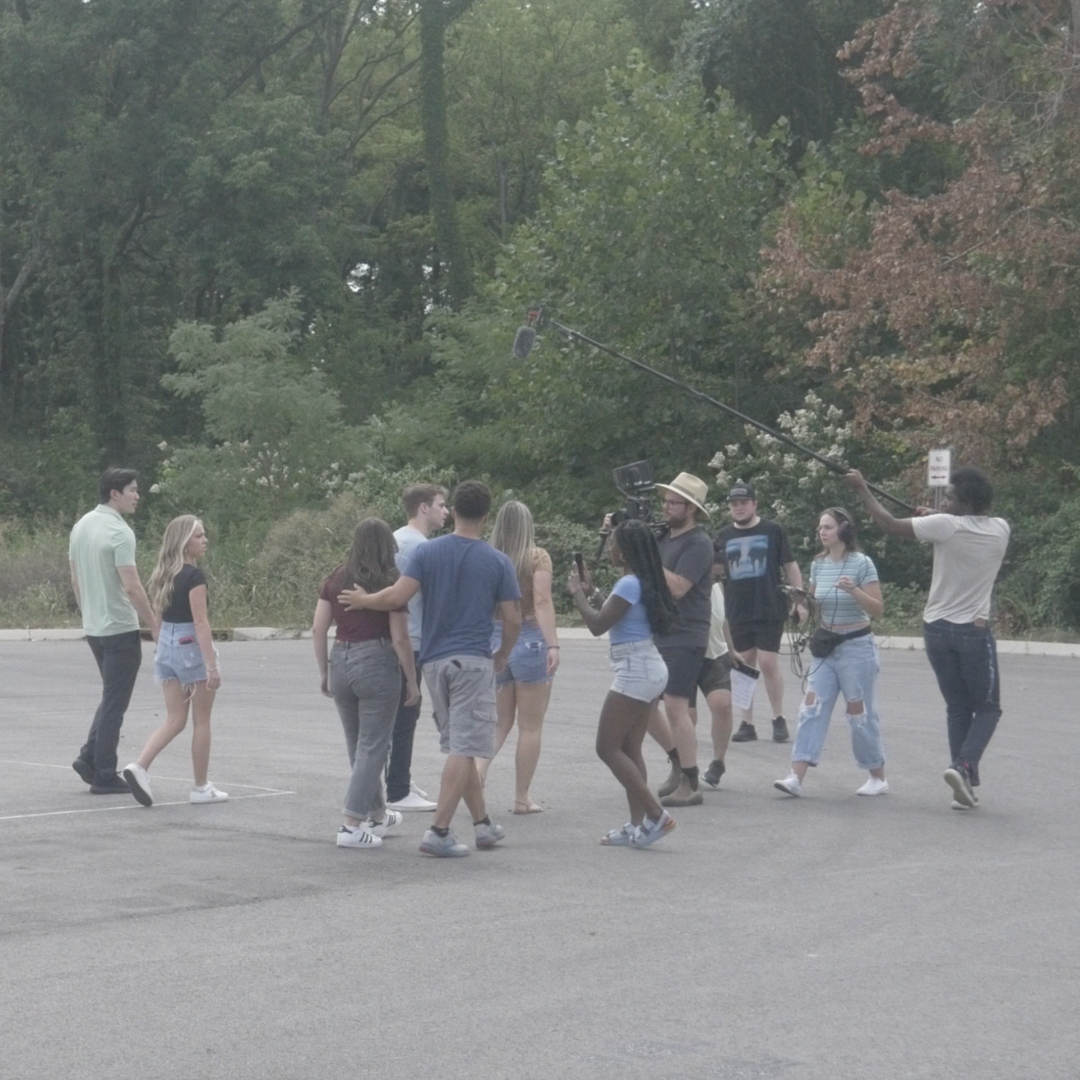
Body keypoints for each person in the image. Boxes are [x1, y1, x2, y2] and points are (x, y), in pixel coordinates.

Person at [338, 481, 522, 857]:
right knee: (466, 746)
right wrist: (503, 652)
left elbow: (397, 596)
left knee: (460, 745)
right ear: (486, 517)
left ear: (453, 512)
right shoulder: (497, 561)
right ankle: (439, 831)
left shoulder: (428, 552)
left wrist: (364, 600)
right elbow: (513, 618)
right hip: (471, 661)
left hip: (435, 662)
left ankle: (483, 824)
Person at [846, 466, 1009, 809]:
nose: (943, 502)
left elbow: (889, 524)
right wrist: (937, 515)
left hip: (935, 630)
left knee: (958, 707)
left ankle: (963, 783)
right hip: (972, 632)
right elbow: (961, 522)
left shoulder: (945, 525)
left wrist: (862, 487)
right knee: (987, 707)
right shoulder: (1000, 528)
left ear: (966, 504)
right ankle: (964, 767)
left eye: (949, 498)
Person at [568, 519, 679, 847]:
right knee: (630, 749)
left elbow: (597, 625)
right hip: (647, 665)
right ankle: (637, 824)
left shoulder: (629, 583)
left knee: (606, 748)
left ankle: (656, 816)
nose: (610, 548)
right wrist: (593, 593)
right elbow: (616, 611)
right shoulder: (638, 581)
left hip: (636, 670)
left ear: (626, 551)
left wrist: (577, 594)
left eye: (614, 543)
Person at [313, 519, 420, 849]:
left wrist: (324, 670)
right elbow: (400, 638)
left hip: (340, 657)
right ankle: (350, 824)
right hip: (376, 661)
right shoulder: (390, 582)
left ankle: (377, 814)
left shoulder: (336, 577)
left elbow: (318, 628)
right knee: (374, 747)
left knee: (358, 744)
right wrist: (412, 681)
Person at [773, 507, 888, 798]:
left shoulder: (862, 563)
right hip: (826, 646)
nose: (821, 532)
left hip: (856, 646)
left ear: (844, 530)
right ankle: (795, 777)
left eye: (827, 527)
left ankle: (877, 776)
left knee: (859, 714)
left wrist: (855, 591)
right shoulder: (819, 564)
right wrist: (799, 605)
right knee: (811, 708)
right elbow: (812, 604)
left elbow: (877, 609)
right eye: (820, 527)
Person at [123, 516, 227, 806]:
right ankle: (200, 787)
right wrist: (211, 665)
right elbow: (200, 622)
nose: (204, 540)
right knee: (201, 720)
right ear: (183, 542)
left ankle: (140, 766)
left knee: (174, 719)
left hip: (167, 644)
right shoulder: (194, 577)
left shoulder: (163, 574)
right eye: (198, 536)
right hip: (189, 645)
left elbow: (158, 617)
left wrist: (163, 646)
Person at [69, 468, 159, 795]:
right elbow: (132, 586)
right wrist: (155, 625)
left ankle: (88, 758)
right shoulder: (120, 531)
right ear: (114, 494)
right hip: (119, 627)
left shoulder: (81, 525)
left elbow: (75, 580)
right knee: (115, 703)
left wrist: (88, 615)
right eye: (132, 490)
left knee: (111, 697)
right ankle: (104, 773)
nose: (137, 496)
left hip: (95, 627)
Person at [476, 501, 559, 813]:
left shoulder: (486, 556)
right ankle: (522, 797)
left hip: (495, 638)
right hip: (530, 638)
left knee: (500, 722)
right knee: (530, 726)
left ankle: (478, 773)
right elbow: (542, 600)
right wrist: (553, 645)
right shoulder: (537, 557)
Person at [715, 480, 803, 744]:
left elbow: (790, 565)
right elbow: (714, 575)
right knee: (743, 664)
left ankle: (778, 718)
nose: (739, 508)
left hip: (769, 605)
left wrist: (799, 600)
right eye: (734, 504)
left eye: (744, 503)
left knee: (768, 662)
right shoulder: (722, 536)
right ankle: (747, 722)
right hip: (736, 608)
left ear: (754, 504)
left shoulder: (773, 530)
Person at [647, 472, 715, 809]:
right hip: (661, 630)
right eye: (665, 501)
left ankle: (690, 780)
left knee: (676, 705)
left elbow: (677, 587)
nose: (667, 507)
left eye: (674, 502)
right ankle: (677, 760)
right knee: (645, 703)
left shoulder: (698, 543)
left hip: (686, 632)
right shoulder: (662, 538)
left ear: (691, 508)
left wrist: (646, 556)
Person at [387, 483, 448, 812]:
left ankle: (397, 780)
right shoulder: (421, 547)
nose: (445, 511)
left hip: (398, 635)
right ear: (424, 508)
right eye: (440, 505)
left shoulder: (396, 538)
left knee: (395, 715)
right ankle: (397, 789)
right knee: (406, 713)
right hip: (411, 638)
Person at [698, 544, 744, 789]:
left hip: (715, 653)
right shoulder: (685, 586)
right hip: (688, 654)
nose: (716, 581)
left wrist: (731, 648)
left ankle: (718, 762)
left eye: (720, 577)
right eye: (713, 576)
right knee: (686, 715)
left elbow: (722, 617)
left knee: (723, 705)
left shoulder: (717, 587)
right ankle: (682, 765)